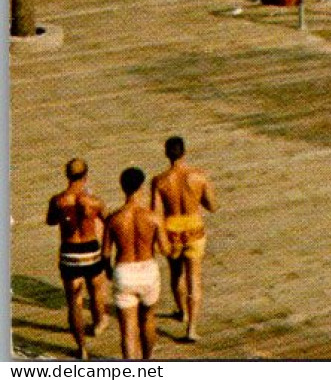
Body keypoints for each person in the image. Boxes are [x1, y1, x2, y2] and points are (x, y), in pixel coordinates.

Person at [151, 136, 217, 343]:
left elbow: (155, 212)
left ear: (166, 154)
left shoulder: (159, 181)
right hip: (194, 229)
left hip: (172, 230)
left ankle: (182, 311)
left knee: (176, 275)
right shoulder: (198, 176)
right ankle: (191, 328)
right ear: (184, 152)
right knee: (193, 279)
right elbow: (212, 206)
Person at [48, 158, 110, 359]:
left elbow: (51, 220)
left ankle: (81, 347)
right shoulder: (94, 201)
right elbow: (107, 220)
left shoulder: (58, 200)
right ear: (86, 176)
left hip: (70, 251)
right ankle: (99, 322)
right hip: (90, 249)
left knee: (74, 301)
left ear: (67, 176)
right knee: (96, 288)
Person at [104, 167, 167, 361]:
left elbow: (105, 253)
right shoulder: (153, 217)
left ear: (122, 187)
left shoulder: (113, 219)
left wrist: (109, 272)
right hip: (148, 268)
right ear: (141, 187)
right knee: (148, 319)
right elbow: (165, 248)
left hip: (124, 270)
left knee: (128, 330)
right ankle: (147, 361)